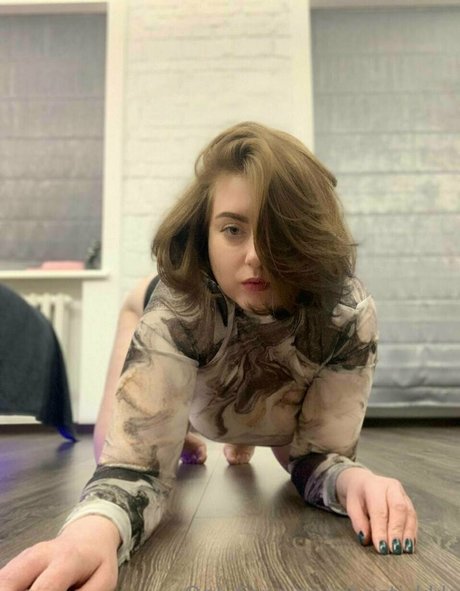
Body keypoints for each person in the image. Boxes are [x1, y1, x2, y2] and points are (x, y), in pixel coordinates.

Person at [0, 122, 418, 591]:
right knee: (110, 443)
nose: (257, 256)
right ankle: (189, 423)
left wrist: (354, 481)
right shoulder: (178, 308)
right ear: (204, 233)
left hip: (252, 368)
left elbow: (317, 455)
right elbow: (130, 467)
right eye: (233, 229)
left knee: (272, 435)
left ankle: (230, 431)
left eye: (279, 231)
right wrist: (89, 534)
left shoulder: (345, 314)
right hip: (164, 316)